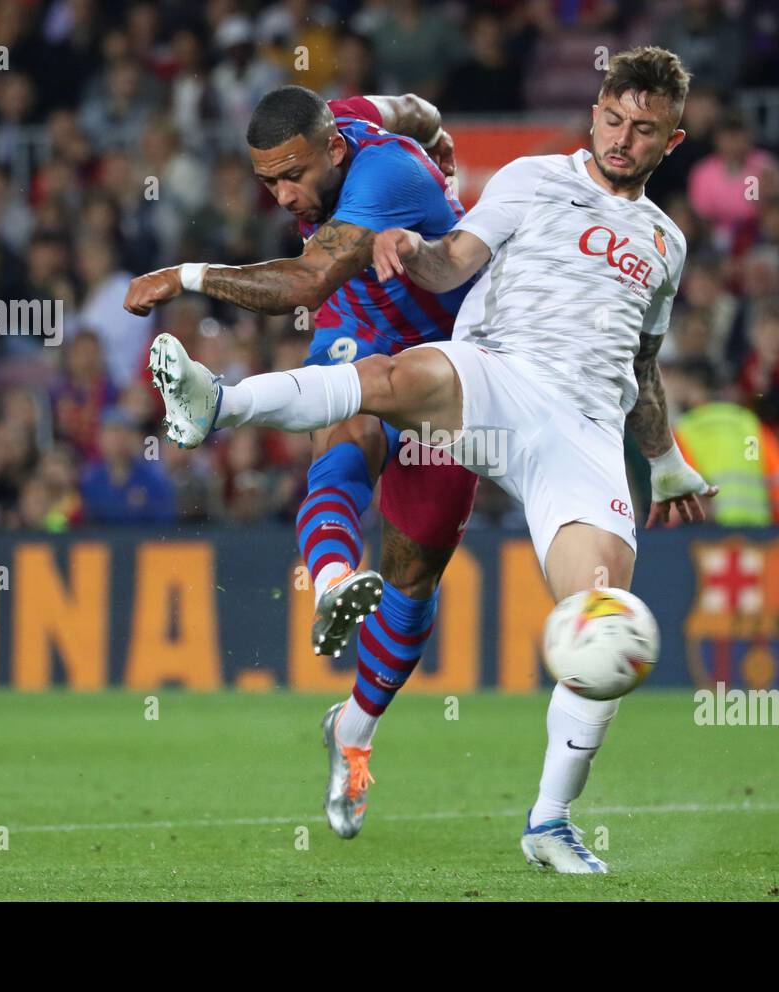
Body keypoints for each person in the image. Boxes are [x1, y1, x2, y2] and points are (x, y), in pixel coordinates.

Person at [145, 47, 716, 872]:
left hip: (585, 430)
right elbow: (454, 259)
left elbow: (645, 364)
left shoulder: (666, 244)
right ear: (594, 112)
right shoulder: (528, 178)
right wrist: (412, 248)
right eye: (614, 119)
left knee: (600, 623)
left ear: (674, 139)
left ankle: (547, 822)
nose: (624, 139)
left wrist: (663, 462)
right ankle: (218, 405)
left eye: (646, 129)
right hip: (496, 370)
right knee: (377, 385)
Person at [121, 88, 478, 840]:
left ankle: (352, 728)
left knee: (413, 578)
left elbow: (309, 282)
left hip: (449, 360)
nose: (284, 195)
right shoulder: (346, 114)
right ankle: (333, 581)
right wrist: (440, 129)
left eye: (293, 175)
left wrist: (187, 277)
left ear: (335, 151)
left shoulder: (386, 176)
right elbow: (411, 103)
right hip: (359, 328)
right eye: (268, 182)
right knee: (343, 426)